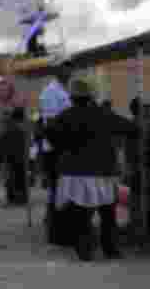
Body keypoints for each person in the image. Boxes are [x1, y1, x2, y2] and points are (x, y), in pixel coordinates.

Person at [46, 76, 137, 260]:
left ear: (72, 98)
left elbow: (49, 135)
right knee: (107, 214)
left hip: (75, 173)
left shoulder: (65, 117)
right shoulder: (104, 114)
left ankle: (84, 249)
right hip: (102, 171)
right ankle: (110, 249)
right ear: (91, 96)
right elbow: (131, 128)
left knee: (80, 215)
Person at [38, 64, 73, 241]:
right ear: (58, 72)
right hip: (55, 148)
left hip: (62, 147)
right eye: (65, 70)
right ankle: (55, 232)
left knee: (60, 190)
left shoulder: (63, 91)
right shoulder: (51, 92)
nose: (69, 74)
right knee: (56, 190)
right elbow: (51, 124)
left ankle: (59, 227)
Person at [1, 107, 30, 205]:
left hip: (11, 157)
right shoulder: (24, 128)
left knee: (12, 178)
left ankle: (13, 198)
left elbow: (4, 142)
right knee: (21, 178)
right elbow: (28, 143)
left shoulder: (9, 127)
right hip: (21, 157)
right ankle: (22, 198)